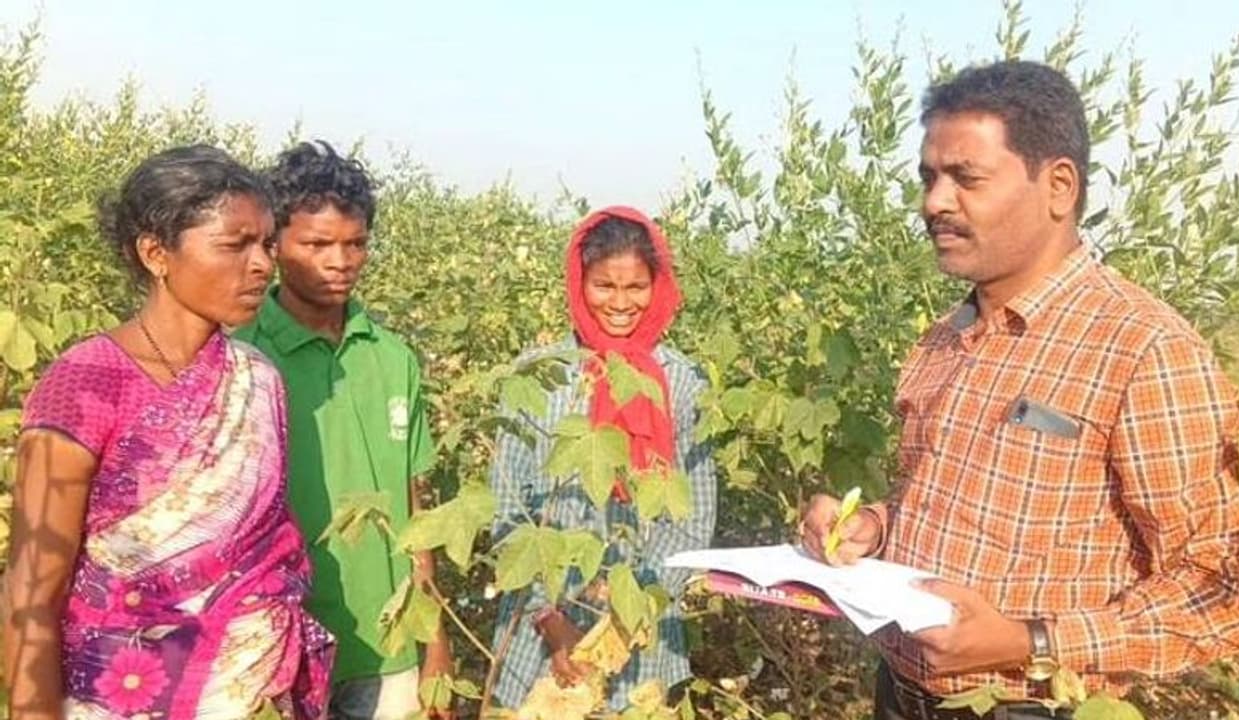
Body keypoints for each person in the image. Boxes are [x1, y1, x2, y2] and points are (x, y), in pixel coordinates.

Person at [802, 60, 1239, 720]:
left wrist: (1030, 642)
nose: (934, 202)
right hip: (900, 695)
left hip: (1031, 708)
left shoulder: (1143, 349)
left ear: (1058, 187)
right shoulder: (944, 339)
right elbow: (950, 504)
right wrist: (873, 528)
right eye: (929, 178)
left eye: (966, 178)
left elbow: (1229, 590)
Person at [4, 145, 333, 720]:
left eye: (266, 244)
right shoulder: (84, 384)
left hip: (250, 692)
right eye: (235, 245)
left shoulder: (258, 379)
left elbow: (266, 546)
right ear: (156, 253)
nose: (262, 264)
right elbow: (31, 591)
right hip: (118, 694)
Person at [235, 141, 452, 720]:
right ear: (274, 245)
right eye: (317, 245)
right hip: (276, 645)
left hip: (388, 647)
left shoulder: (392, 357)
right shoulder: (241, 358)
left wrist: (435, 643)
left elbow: (416, 508)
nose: (340, 261)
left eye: (355, 244)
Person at [489, 206, 717, 711]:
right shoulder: (540, 376)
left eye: (636, 287)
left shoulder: (682, 382)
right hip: (539, 638)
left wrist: (631, 603)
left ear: (657, 286)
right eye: (604, 286)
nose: (620, 303)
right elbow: (507, 508)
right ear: (579, 283)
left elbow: (693, 518)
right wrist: (549, 617)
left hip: (642, 638)